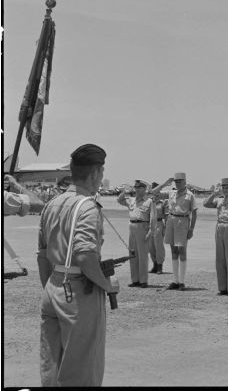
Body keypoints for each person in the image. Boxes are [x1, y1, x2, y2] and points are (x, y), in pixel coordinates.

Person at [37, 143, 119, 386]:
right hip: (77, 293)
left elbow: (42, 255)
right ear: (94, 173)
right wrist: (106, 284)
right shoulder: (87, 207)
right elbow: (84, 256)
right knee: (81, 370)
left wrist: (51, 288)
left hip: (53, 286)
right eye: (101, 173)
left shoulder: (51, 205)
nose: (101, 178)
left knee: (50, 367)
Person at [151, 172, 198, 291]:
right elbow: (153, 192)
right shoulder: (171, 192)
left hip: (183, 221)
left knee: (182, 251)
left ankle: (182, 282)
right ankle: (175, 280)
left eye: (180, 181)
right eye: (176, 181)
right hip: (171, 220)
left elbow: (195, 212)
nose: (177, 183)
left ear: (185, 182)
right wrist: (165, 183)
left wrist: (191, 229)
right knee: (173, 251)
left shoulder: (190, 195)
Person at [117, 179, 156, 287]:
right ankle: (135, 280)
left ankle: (143, 280)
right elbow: (119, 200)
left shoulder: (149, 201)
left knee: (142, 255)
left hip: (143, 227)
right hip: (132, 227)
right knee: (133, 254)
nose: (137, 190)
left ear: (144, 189)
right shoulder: (132, 200)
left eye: (139, 188)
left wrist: (151, 231)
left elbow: (153, 217)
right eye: (136, 188)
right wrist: (125, 192)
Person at [149, 181, 168, 274]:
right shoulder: (149, 201)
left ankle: (160, 266)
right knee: (150, 246)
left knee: (158, 246)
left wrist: (167, 228)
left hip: (159, 224)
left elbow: (167, 215)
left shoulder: (163, 202)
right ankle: (155, 265)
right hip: (149, 225)